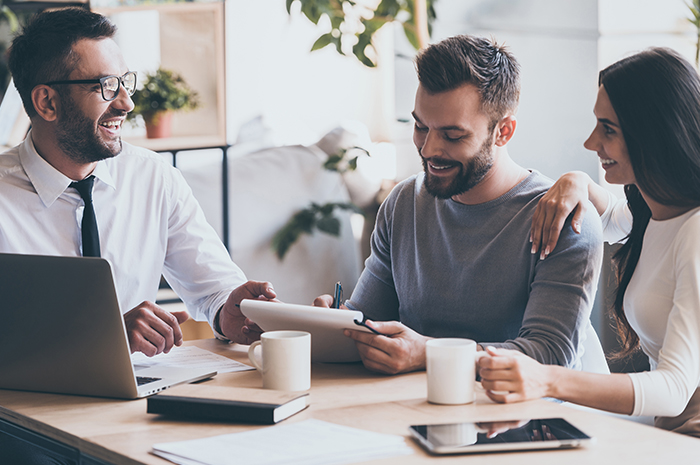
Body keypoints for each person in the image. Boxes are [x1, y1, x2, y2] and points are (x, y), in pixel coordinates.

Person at [315, 35, 604, 375]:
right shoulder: (403, 204)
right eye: (421, 127)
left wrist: (431, 353)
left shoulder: (563, 219)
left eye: (453, 135)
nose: (429, 149)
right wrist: (333, 324)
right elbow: (370, 323)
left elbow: (550, 354)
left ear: (504, 131)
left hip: (526, 421)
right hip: (412, 409)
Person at [0, 8, 273, 358]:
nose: (127, 103)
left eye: (124, 82)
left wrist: (227, 312)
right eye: (106, 87)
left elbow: (213, 288)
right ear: (47, 102)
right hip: (22, 403)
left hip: (137, 398)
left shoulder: (154, 178)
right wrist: (102, 335)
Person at [479, 47, 700, 437]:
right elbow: (612, 219)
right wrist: (575, 181)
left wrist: (547, 379)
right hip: (665, 425)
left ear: (655, 135)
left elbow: (673, 390)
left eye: (608, 129)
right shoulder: (656, 206)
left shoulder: (695, 234)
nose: (590, 142)